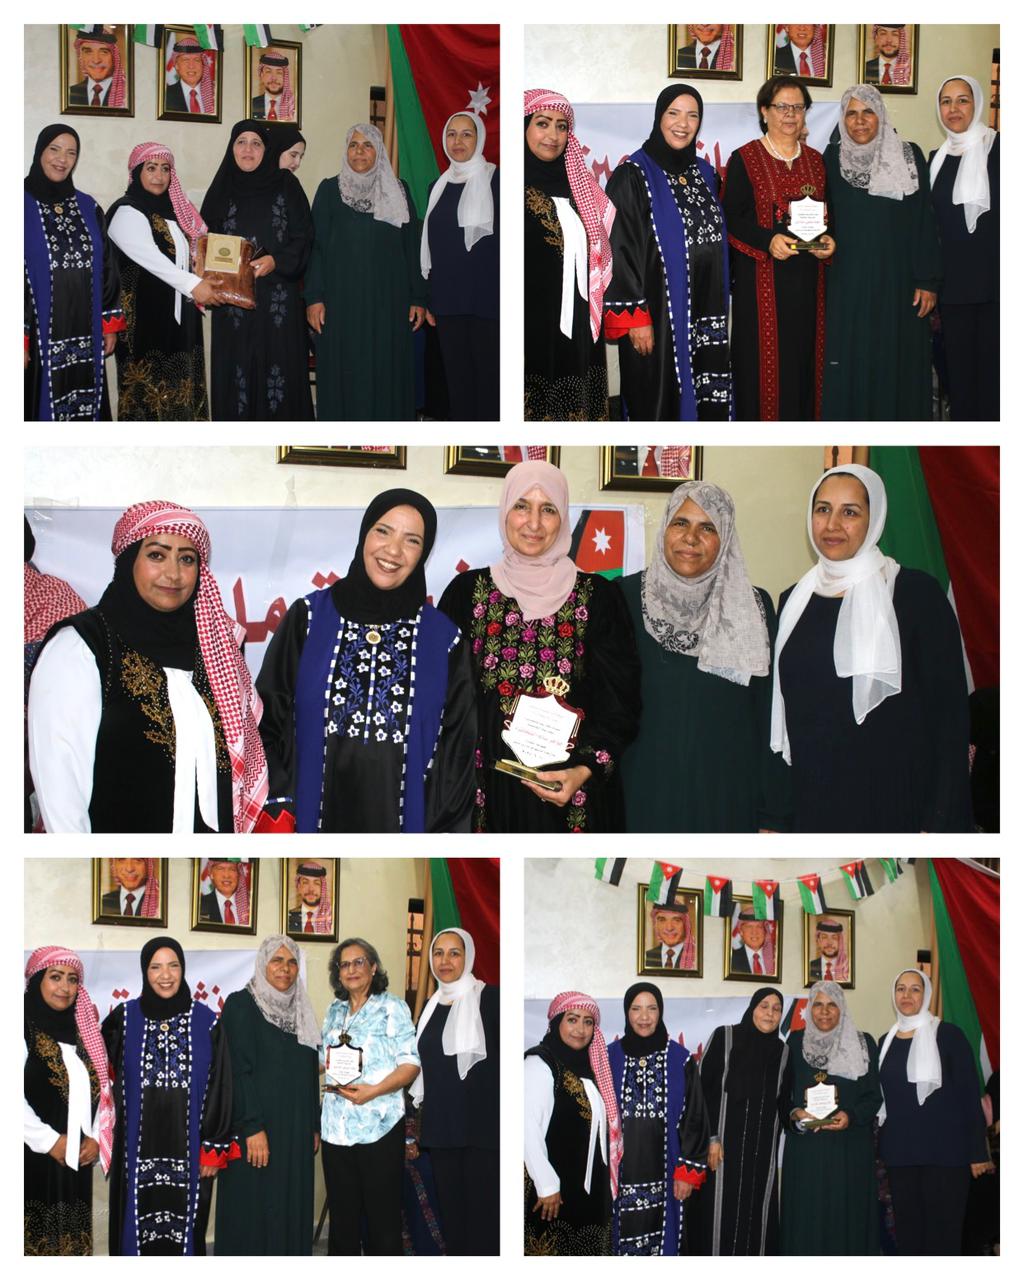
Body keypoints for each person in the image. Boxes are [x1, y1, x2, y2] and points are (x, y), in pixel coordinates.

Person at [28, 500, 268, 833]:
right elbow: (60, 785)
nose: (173, 574)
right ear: (129, 560)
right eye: (157, 555)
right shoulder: (83, 645)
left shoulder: (216, 650)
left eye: (187, 559)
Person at [438, 460, 640, 833]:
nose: (533, 523)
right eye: (522, 506)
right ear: (505, 512)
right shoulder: (466, 594)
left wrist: (583, 771)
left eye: (548, 509)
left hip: (572, 801)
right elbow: (441, 699)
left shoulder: (599, 598)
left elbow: (621, 705)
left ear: (562, 518)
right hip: (485, 799)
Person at [256, 489, 475, 833]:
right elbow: (265, 722)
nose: (393, 550)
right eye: (383, 531)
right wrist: (281, 806)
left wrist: (437, 839)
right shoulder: (308, 619)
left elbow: (457, 753)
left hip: (405, 838)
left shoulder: (444, 640)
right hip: (309, 828)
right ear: (364, 535)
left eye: (412, 540)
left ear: (423, 553)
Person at [771, 464, 972, 831]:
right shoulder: (791, 601)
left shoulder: (916, 595)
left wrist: (939, 821)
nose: (832, 525)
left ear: (874, 518)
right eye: (823, 509)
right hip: (812, 804)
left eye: (850, 512)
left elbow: (950, 719)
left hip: (895, 805)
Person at [619, 480, 791, 831]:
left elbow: (771, 714)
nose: (691, 538)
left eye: (708, 527)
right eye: (681, 523)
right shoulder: (622, 598)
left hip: (728, 797)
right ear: (665, 528)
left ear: (725, 538)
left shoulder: (753, 607)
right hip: (642, 794)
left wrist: (772, 814)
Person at [102, 937, 236, 1255]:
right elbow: (96, 1070)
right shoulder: (123, 1019)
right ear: (144, 972)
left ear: (183, 969)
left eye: (173, 966)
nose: (166, 975)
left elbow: (221, 1084)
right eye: (156, 967)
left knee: (187, 1233)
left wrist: (213, 1146)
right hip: (134, 1151)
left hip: (191, 1152)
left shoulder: (206, 1022)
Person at [604, 86, 730, 420]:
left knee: (705, 395)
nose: (683, 124)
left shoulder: (705, 174)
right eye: (673, 113)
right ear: (659, 117)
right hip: (657, 316)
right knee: (657, 401)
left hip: (704, 308)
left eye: (692, 115)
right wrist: (635, 318)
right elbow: (618, 248)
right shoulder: (633, 175)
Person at [821, 85, 942, 420]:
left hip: (899, 285)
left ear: (882, 115)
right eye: (851, 113)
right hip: (848, 285)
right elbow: (823, 217)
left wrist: (928, 280)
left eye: (868, 112)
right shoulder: (831, 159)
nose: (859, 121)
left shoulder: (909, 155)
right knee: (851, 358)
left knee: (896, 359)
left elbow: (924, 220)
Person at [722, 77, 834, 420]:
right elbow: (731, 220)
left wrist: (830, 241)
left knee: (805, 366)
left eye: (798, 107)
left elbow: (830, 216)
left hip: (809, 285)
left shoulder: (816, 161)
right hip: (762, 287)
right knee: (763, 370)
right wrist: (767, 241)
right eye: (782, 106)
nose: (790, 114)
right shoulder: (745, 159)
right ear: (764, 111)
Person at [305, 123, 425, 420]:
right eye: (354, 145)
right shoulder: (329, 190)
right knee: (345, 369)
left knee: (386, 369)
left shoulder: (399, 190)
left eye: (368, 145)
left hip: (389, 303)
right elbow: (315, 248)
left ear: (379, 151)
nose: (360, 151)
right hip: (340, 303)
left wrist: (418, 298)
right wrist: (314, 298)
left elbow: (412, 247)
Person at [200, 119, 313, 420]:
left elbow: (304, 236)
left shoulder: (286, 184)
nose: (248, 149)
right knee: (236, 377)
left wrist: (277, 260)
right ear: (232, 148)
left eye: (256, 143)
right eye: (241, 142)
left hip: (278, 302)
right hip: (232, 307)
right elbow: (205, 241)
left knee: (280, 377)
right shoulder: (221, 189)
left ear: (267, 150)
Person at [215, 935, 321, 1255]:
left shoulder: (301, 1009)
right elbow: (236, 1072)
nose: (285, 969)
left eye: (292, 962)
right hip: (256, 1128)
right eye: (277, 960)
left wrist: (313, 1124)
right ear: (263, 964)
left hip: (295, 1131)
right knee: (253, 1209)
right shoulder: (241, 1005)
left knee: (290, 1204)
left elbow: (309, 1070)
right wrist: (252, 1127)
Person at [877, 968, 991, 1255]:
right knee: (909, 1238)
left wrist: (978, 1152)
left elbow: (969, 1096)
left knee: (943, 1238)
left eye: (915, 989)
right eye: (901, 988)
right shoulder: (885, 1042)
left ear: (926, 994)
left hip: (946, 1156)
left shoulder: (949, 1035)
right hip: (901, 1157)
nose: (907, 995)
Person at [320, 938, 420, 1255]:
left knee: (382, 1220)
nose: (351, 969)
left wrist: (373, 1091)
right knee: (343, 1220)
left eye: (359, 962)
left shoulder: (392, 1007)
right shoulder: (334, 1010)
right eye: (344, 964)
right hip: (335, 1129)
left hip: (379, 1127)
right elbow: (325, 1060)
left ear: (373, 967)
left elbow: (410, 1065)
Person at [523, 88, 614, 420]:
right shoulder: (505, 186)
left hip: (578, 321)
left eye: (561, 126)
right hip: (528, 321)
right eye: (542, 123)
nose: (553, 135)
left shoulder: (581, 185)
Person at [24, 124, 124, 420]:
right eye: (54, 149)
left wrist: (109, 323)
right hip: (38, 336)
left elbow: (107, 264)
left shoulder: (87, 206)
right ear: (40, 152)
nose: (62, 159)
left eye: (71, 153)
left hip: (87, 331)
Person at [107, 142, 212, 420]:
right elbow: (151, 259)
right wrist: (194, 286)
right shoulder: (126, 211)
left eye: (165, 169)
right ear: (136, 172)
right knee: (149, 397)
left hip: (181, 320)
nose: (159, 176)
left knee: (183, 390)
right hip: (145, 322)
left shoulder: (175, 212)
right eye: (151, 168)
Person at [411, 928, 500, 1255]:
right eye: (438, 953)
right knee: (453, 1220)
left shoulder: (491, 999)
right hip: (442, 1130)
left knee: (485, 1221)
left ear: (468, 957)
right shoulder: (430, 1006)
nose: (445, 961)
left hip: (483, 1132)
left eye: (454, 953)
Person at [24, 946, 114, 1256]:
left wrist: (94, 1138)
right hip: (31, 1157)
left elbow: (102, 1089)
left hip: (77, 1158)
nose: (65, 987)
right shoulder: (19, 1026)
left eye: (72, 979)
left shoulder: (82, 1032)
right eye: (56, 977)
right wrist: (51, 1142)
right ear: (38, 980)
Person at [780, 981, 882, 1254]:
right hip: (807, 1150)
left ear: (842, 1008)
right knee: (807, 1216)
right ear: (810, 1008)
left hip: (849, 1149)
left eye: (832, 1005)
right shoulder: (795, 1043)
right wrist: (795, 1113)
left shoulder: (863, 1044)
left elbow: (873, 1097)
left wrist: (851, 1115)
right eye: (818, 1005)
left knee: (847, 1216)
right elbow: (781, 1095)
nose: (824, 1012)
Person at [608, 983, 709, 1254]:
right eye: (636, 1009)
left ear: (660, 1012)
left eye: (651, 1009)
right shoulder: (608, 1057)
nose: (644, 1017)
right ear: (626, 1012)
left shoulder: (680, 1059)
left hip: (667, 1174)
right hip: (620, 1176)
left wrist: (687, 1172)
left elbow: (695, 1117)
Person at [688, 988, 788, 1255]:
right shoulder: (725, 1037)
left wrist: (801, 1117)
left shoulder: (783, 1052)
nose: (770, 1013)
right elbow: (700, 1092)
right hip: (721, 1151)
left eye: (776, 1008)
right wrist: (711, 1138)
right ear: (752, 1008)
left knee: (756, 1220)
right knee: (717, 1217)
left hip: (761, 1157)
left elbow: (784, 1103)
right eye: (764, 1006)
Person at [525, 991, 620, 1255]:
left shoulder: (590, 1067)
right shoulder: (540, 1063)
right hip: (552, 1192)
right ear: (557, 1022)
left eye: (588, 1022)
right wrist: (547, 1185)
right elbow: (526, 1129)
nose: (580, 1029)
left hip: (589, 1192)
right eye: (572, 1019)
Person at [929, 75, 999, 421]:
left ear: (978, 103)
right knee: (959, 384)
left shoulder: (1000, 151)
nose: (953, 109)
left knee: (995, 383)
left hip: (996, 288)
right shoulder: (935, 158)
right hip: (953, 291)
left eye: (962, 100)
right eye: (946, 101)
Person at [421, 111, 499, 420]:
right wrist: (430, 298)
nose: (458, 141)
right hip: (448, 304)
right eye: (451, 134)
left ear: (479, 139)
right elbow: (433, 247)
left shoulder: (499, 181)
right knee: (458, 387)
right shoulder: (436, 187)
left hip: (490, 304)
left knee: (490, 388)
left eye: (467, 134)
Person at [68, 29, 126, 108]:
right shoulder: (70, 93)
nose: (96, 60)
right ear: (81, 57)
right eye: (88, 52)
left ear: (114, 58)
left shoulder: (126, 95)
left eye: (104, 52)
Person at [165, 34, 215, 114]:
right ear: (176, 65)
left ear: (203, 64)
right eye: (185, 60)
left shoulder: (215, 95)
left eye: (196, 60)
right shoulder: (165, 95)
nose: (191, 66)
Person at [644, 893, 697, 970]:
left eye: (676, 920)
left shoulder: (695, 957)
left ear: (685, 925)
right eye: (662, 920)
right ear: (656, 925)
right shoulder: (647, 957)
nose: (669, 928)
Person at [198, 858, 250, 924]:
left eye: (232, 869)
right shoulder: (199, 905)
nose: (226, 876)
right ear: (211, 874)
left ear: (238, 875)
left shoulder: (250, 905)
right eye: (220, 869)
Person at [729, 905, 776, 976]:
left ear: (765, 931)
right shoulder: (731, 960)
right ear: (741, 932)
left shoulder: (775, 960)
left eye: (759, 927)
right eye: (749, 927)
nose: (754, 932)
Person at [288, 860, 333, 933]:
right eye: (305, 882)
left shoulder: (330, 919)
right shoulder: (288, 918)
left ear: (322, 888)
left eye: (316, 883)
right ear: (298, 887)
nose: (311, 889)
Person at [250, 48, 295, 121]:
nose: (274, 78)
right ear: (261, 75)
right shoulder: (251, 104)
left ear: (285, 76)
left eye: (279, 72)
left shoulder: (292, 106)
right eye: (268, 71)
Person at [809, 916, 848, 981]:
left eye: (834, 938)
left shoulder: (847, 967)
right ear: (818, 941)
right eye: (824, 937)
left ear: (840, 942)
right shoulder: (809, 967)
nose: (829, 942)